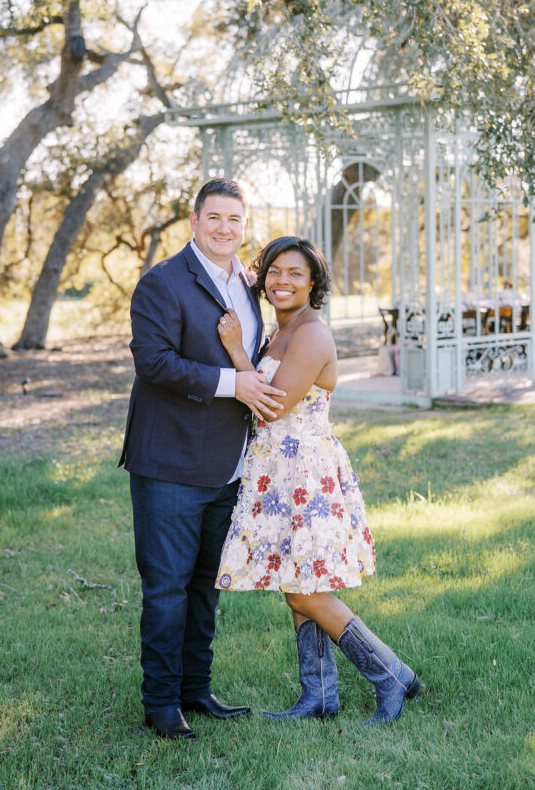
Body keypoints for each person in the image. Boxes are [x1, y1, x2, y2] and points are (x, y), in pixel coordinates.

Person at [214, 236, 421, 726]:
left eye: (295, 273)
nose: (282, 281)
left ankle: (392, 675)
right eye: (274, 271)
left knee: (305, 590)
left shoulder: (310, 333)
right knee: (296, 581)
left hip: (305, 473)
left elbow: (271, 406)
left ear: (313, 283)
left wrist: (235, 351)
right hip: (278, 471)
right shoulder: (279, 331)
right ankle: (320, 695)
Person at [119, 178, 286, 740]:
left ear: (245, 226)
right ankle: (161, 703)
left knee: (204, 586)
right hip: (169, 464)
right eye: (214, 217)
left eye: (234, 219)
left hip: (228, 466)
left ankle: (196, 688)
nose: (223, 228)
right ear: (194, 222)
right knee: (166, 588)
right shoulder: (162, 282)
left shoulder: (249, 283)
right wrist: (234, 384)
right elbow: (154, 363)